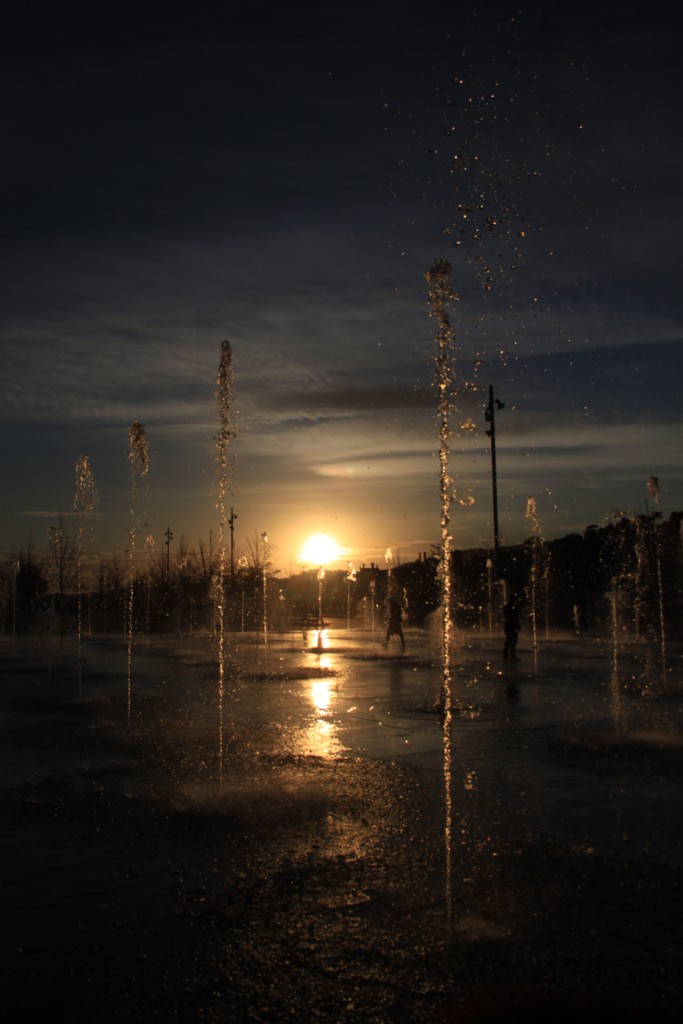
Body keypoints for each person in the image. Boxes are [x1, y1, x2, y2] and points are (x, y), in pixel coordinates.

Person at [503, 594, 520, 662]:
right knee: (510, 641)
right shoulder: (508, 607)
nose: (514, 600)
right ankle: (508, 656)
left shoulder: (512, 607)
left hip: (512, 626)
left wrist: (518, 625)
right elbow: (509, 617)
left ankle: (510, 656)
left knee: (513, 641)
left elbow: (516, 617)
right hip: (510, 626)